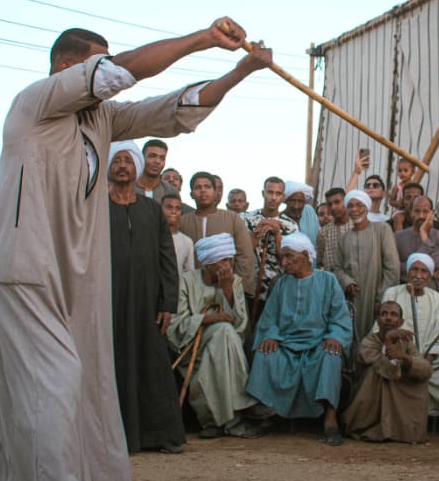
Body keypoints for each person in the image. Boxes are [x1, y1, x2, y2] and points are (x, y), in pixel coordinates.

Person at [0, 20, 266, 481]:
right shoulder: (35, 102)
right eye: (98, 62)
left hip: (67, 271)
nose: (108, 71)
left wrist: (241, 70)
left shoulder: (102, 119)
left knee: (35, 377)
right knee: (55, 379)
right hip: (24, 264)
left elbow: (175, 109)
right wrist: (201, 39)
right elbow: (125, 72)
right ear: (67, 67)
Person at [107, 141, 185, 454]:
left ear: (136, 168)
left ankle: (160, 436)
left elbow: (167, 259)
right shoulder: (95, 208)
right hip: (108, 302)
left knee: (152, 365)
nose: (122, 166)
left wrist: (167, 303)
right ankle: (112, 438)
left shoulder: (152, 210)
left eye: (128, 161)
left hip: (147, 304)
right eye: (117, 161)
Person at [247, 233, 351, 445]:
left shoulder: (328, 281)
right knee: (265, 353)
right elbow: (269, 318)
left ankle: (330, 417)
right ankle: (269, 415)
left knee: (330, 355)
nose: (284, 262)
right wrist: (271, 335)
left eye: (289, 257)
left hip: (318, 344)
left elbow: (340, 317)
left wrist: (334, 336)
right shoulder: (281, 284)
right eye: (282, 257)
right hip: (285, 344)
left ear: (305, 255)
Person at [169, 233, 262, 439]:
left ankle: (215, 421)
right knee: (223, 331)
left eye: (230, 260)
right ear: (208, 264)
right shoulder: (186, 282)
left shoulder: (234, 282)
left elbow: (239, 325)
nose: (228, 265)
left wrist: (227, 290)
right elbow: (176, 324)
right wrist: (208, 319)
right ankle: (238, 414)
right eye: (223, 260)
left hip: (227, 348)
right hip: (193, 346)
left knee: (224, 335)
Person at [382, 253, 439, 434]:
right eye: (414, 270)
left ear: (430, 276)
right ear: (407, 272)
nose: (418, 275)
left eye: (424, 271)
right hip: (401, 355)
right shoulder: (392, 293)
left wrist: (426, 361)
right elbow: (384, 328)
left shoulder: (435, 297)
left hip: (431, 356)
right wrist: (410, 359)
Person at [343, 300, 432, 443]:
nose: (388, 318)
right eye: (383, 314)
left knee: (420, 378)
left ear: (401, 322)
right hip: (374, 400)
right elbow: (387, 370)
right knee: (376, 374)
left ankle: (404, 430)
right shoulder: (368, 342)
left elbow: (426, 369)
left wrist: (406, 358)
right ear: (378, 320)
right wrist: (388, 340)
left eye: (393, 315)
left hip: (400, 393)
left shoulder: (407, 342)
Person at [178, 172, 257, 302]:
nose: (203, 190)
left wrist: (238, 290)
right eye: (198, 187)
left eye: (207, 187)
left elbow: (245, 256)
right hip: (191, 290)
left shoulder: (232, 219)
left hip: (226, 289)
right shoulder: (182, 222)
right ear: (191, 194)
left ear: (215, 192)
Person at [332, 189, 399, 341]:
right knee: (352, 336)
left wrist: (382, 298)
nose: (354, 210)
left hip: (376, 295)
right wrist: (346, 281)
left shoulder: (382, 229)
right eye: (350, 206)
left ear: (367, 207)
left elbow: (392, 267)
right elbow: (337, 267)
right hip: (353, 298)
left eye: (359, 205)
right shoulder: (344, 238)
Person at [243, 176, 300, 304]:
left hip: (277, 287)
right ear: (263, 193)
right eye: (270, 192)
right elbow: (243, 253)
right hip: (249, 285)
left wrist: (277, 234)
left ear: (283, 197)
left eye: (278, 194)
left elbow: (288, 260)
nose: (273, 198)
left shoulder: (291, 225)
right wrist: (259, 229)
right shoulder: (245, 219)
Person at [394, 195, 439, 295]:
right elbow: (395, 267)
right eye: (417, 211)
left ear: (432, 213)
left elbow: (436, 263)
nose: (421, 216)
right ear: (411, 213)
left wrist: (424, 235)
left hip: (433, 294)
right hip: (404, 293)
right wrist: (431, 273)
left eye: (425, 211)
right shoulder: (398, 237)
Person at [315, 187, 349, 272]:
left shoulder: (357, 226)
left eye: (337, 202)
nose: (333, 207)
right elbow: (320, 263)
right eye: (330, 204)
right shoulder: (323, 233)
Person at [162, 193, 196, 276]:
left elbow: (189, 273)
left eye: (178, 208)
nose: (173, 211)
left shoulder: (187, 242)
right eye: (169, 207)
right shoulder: (151, 237)